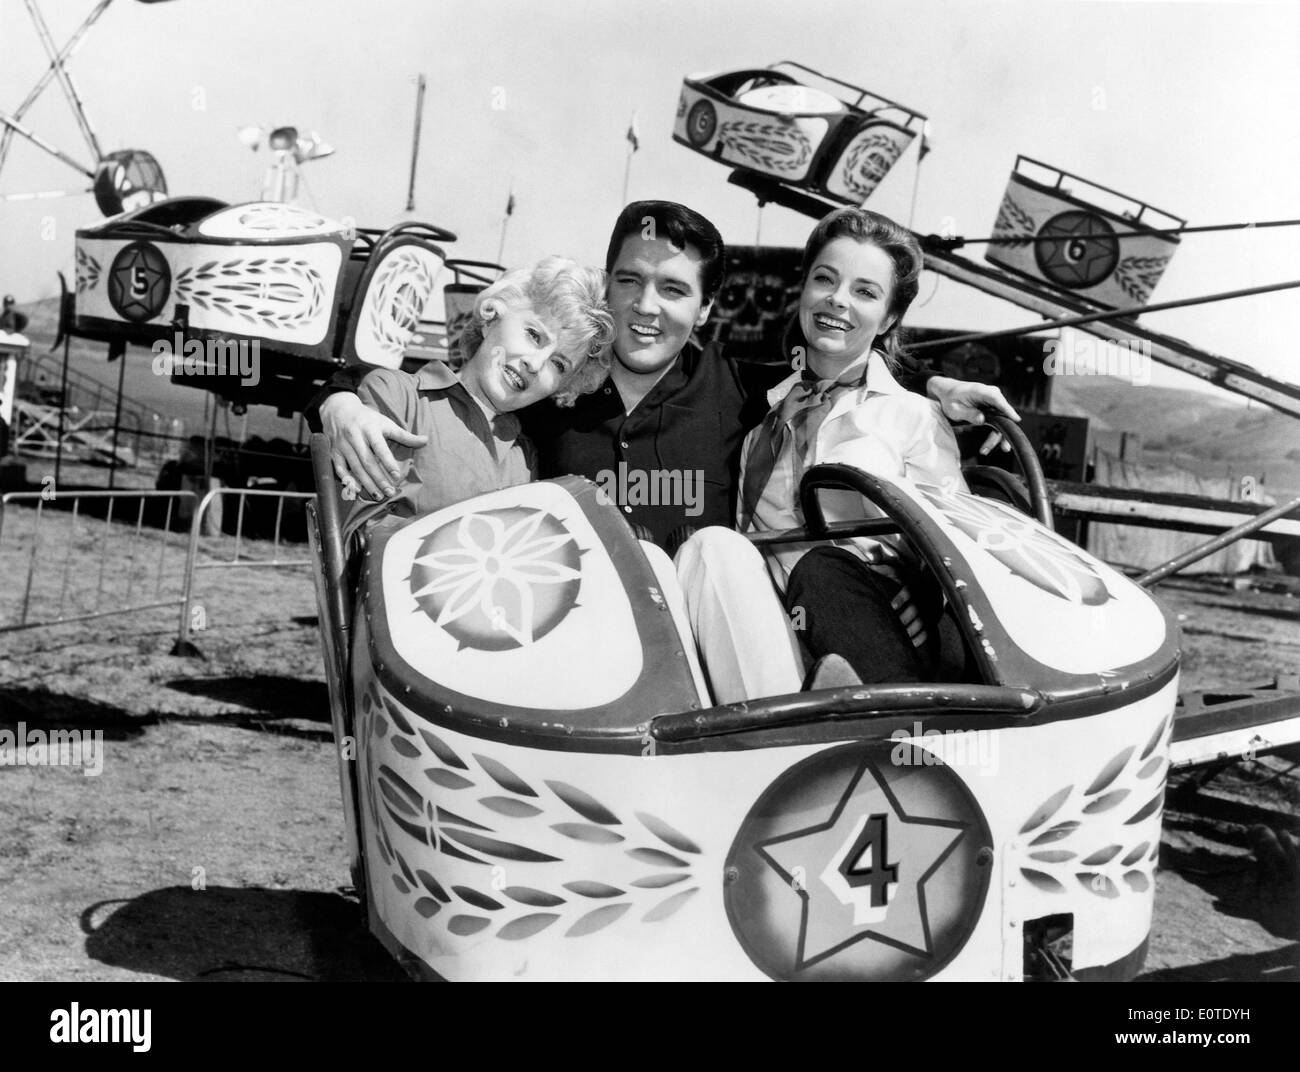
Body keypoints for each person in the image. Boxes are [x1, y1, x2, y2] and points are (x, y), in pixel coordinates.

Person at [312, 200, 1015, 547]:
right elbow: (450, 392)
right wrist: (338, 400)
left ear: (707, 307)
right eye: (630, 281)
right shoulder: (550, 386)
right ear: (605, 283)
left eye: (674, 291)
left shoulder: (750, 395)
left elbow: (843, 361)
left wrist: (933, 384)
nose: (647, 310)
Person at [675, 208, 969, 701]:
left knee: (821, 569)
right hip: (771, 625)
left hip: (874, 617)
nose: (837, 300)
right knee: (707, 547)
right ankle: (777, 733)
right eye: (825, 279)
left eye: (865, 291)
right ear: (804, 288)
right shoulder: (764, 405)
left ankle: (897, 729)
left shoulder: (913, 417)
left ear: (891, 316)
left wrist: (924, 592)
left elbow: (955, 545)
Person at [346, 255, 614, 525]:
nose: (534, 364)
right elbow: (354, 535)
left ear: (565, 387)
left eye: (558, 364)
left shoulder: (523, 457)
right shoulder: (399, 398)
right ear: (492, 318)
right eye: (534, 334)